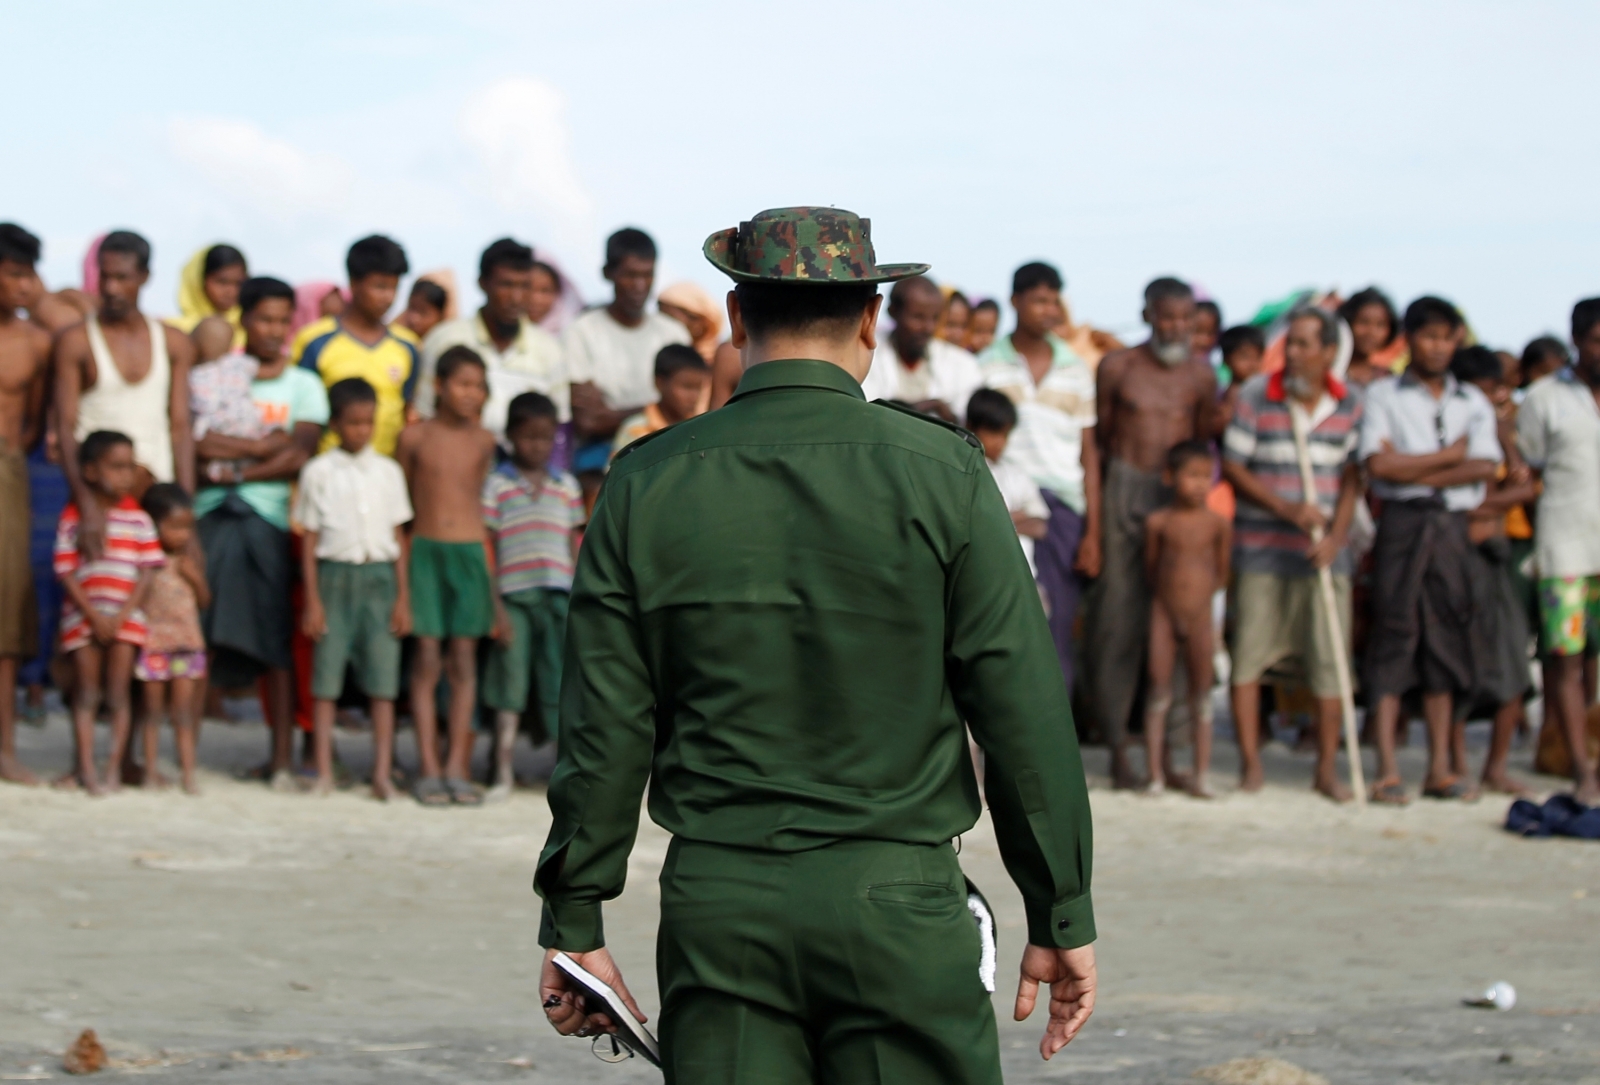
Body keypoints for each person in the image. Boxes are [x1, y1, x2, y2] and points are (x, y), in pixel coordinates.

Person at [535, 207, 1096, 1081]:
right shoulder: (944, 471)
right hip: (900, 901)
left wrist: (575, 919)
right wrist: (1060, 909)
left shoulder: (644, 480)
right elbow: (1021, 707)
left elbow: (604, 724)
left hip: (719, 905)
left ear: (734, 317)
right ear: (871, 318)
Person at [1359, 296, 1502, 804]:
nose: (1438, 347)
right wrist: (1448, 456)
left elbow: (1485, 466)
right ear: (1410, 340)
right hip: (1403, 522)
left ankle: (1440, 766)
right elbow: (1378, 467)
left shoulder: (1472, 401)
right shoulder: (1383, 395)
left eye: (1447, 337)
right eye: (1428, 336)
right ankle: (1387, 769)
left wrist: (1414, 464)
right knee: (1394, 636)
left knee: (1446, 641)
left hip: (1451, 526)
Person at [1221, 308, 1365, 799]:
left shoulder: (1352, 403)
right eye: (1293, 344)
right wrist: (1285, 508)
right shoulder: (1258, 395)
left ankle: (1326, 770)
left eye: (1306, 345)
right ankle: (1250, 767)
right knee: (1248, 660)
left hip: (1322, 555)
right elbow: (1234, 466)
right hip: (1262, 549)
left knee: (1330, 662)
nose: (1295, 354)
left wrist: (1337, 535)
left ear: (1329, 352)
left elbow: (1353, 476)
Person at [195, 277, 329, 787]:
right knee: (192, 633)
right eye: (264, 319)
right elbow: (198, 441)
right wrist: (257, 450)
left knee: (275, 637)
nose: (274, 330)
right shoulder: (219, 374)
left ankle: (281, 759)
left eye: (282, 320)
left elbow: (298, 453)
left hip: (270, 519)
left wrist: (232, 466)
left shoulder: (304, 385)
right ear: (244, 321)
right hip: (209, 513)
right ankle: (179, 754)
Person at [1088, 276, 1217, 787]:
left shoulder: (1202, 376)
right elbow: (1097, 446)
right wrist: (1094, 529)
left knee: (1182, 619)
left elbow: (1201, 443)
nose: (1177, 327)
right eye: (1167, 317)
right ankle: (1119, 746)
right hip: (1125, 488)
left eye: (1186, 318)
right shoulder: (1117, 367)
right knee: (1117, 620)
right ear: (1147, 316)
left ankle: (1177, 756)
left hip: (1177, 500)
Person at [978, 262, 1101, 695]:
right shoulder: (987, 365)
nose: (1048, 309)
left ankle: (1054, 741)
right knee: (999, 623)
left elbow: (1089, 454)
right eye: (1039, 299)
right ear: (1016, 301)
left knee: (1057, 625)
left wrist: (1093, 534)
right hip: (998, 502)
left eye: (1054, 300)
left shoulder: (1077, 370)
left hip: (1061, 509)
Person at [296, 378, 413, 800]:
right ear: (335, 423)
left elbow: (400, 537)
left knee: (383, 683)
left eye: (368, 422)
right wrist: (312, 599)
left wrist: (403, 598)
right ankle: (324, 770)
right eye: (353, 423)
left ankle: (381, 772)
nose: (361, 431)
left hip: (379, 578)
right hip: (334, 578)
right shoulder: (318, 472)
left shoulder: (389, 471)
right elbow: (309, 539)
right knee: (326, 681)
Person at [395, 345, 500, 807]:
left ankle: (458, 765)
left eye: (478, 386)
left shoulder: (485, 442)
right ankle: (428, 767)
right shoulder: (414, 438)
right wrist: (401, 590)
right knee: (426, 661)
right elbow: (400, 516)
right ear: (438, 386)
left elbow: (485, 510)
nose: (471, 394)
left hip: (471, 555)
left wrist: (493, 594)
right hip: (424, 551)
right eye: (462, 384)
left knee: (463, 663)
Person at [54, 230, 197, 553]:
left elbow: (180, 427)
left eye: (122, 277)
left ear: (145, 277)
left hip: (160, 502)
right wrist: (87, 504)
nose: (110, 288)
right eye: (104, 277)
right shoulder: (76, 341)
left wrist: (185, 509)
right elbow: (65, 428)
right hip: (101, 500)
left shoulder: (173, 342)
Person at [1517, 298, 1600, 804]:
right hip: (1565, 550)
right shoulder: (1544, 399)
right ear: (1577, 341)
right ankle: (1581, 768)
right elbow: (1527, 473)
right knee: (1565, 661)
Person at [481, 392, 583, 797]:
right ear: (510, 437)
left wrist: (580, 594)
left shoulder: (566, 485)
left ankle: (562, 774)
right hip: (514, 597)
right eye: (529, 438)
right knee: (510, 682)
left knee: (558, 682)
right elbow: (488, 546)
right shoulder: (497, 484)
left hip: (558, 596)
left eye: (546, 438)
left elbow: (575, 543)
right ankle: (502, 770)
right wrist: (495, 608)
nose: (538, 446)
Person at [54, 431, 164, 795]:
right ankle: (85, 768)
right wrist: (93, 615)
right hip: (83, 619)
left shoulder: (140, 521)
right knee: (87, 692)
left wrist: (120, 616)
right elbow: (65, 571)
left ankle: (112, 769)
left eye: (130, 467)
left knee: (118, 694)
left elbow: (147, 572)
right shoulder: (74, 520)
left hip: (126, 619)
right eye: (116, 467)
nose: (126, 475)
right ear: (89, 471)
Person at [1450, 345, 1535, 795]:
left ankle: (1495, 766)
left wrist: (1503, 436)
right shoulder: (1450, 425)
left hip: (1497, 555)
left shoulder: (1504, 432)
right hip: (1458, 554)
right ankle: (1459, 764)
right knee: (1458, 665)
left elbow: (1521, 485)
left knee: (1511, 668)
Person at [561, 228, 691, 492]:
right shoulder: (582, 331)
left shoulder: (673, 333)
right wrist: (659, 409)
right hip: (601, 457)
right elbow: (588, 423)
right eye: (630, 275)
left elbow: (688, 410)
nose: (640, 286)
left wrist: (613, 412)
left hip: (667, 449)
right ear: (608, 273)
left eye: (647, 275)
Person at [1143, 440, 1230, 797]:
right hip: (1163, 613)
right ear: (1170, 477)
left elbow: (1222, 573)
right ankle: (1155, 775)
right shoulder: (1158, 523)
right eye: (1191, 475)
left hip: (1201, 617)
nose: (1199, 484)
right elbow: (1151, 569)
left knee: (1202, 694)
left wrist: (1202, 608)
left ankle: (1201, 773)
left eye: (1205, 476)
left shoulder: (1218, 524)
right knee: (1158, 691)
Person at [417, 238, 567, 441]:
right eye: (506, 285)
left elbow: (558, 428)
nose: (516, 297)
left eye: (524, 286)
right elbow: (423, 416)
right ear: (482, 283)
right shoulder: (444, 340)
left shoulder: (549, 350)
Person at [0, 223, 52, 784]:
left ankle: (5, 748)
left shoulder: (35, 343)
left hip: (6, 471)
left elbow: (34, 424)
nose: (26, 286)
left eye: (29, 274)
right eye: (15, 274)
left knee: (7, 611)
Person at [292, 235, 418, 456]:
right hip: (327, 473)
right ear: (353, 282)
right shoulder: (314, 341)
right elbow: (300, 414)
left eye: (394, 287)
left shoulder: (408, 347)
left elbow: (407, 413)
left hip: (383, 474)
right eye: (379, 287)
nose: (388, 297)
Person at [136, 484, 210, 794]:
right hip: (154, 644)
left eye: (187, 528)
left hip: (187, 645)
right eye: (175, 527)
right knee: (152, 713)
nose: (183, 535)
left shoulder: (188, 562)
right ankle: (151, 771)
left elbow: (205, 601)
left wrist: (195, 579)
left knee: (183, 713)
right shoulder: (146, 565)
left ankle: (188, 774)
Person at [859, 275, 984, 423]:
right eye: (918, 317)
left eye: (935, 318)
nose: (928, 328)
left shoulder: (962, 364)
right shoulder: (864, 356)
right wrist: (929, 407)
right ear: (893, 311)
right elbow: (865, 414)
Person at [966, 388, 1049, 577]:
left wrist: (994, 526)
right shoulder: (961, 472)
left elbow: (1040, 525)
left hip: (1020, 578)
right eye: (994, 432)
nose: (1000, 442)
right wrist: (1018, 517)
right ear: (971, 427)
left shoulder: (1015, 475)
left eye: (1005, 434)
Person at [611, 345, 710, 454]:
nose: (694, 396)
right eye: (687, 387)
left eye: (698, 388)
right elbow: (617, 470)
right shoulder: (635, 429)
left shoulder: (697, 428)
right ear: (660, 383)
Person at [170, 243, 248, 350]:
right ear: (198, 281)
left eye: (239, 283)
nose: (231, 291)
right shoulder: (173, 333)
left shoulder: (255, 333)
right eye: (222, 282)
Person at [1337, 287, 1403, 387]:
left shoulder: (1388, 379)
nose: (1371, 332)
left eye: (1380, 325)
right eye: (1363, 322)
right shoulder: (1331, 371)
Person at [394, 278, 448, 342]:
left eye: (423, 313)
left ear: (440, 316)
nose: (414, 319)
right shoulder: (393, 339)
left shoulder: (445, 346)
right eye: (412, 308)